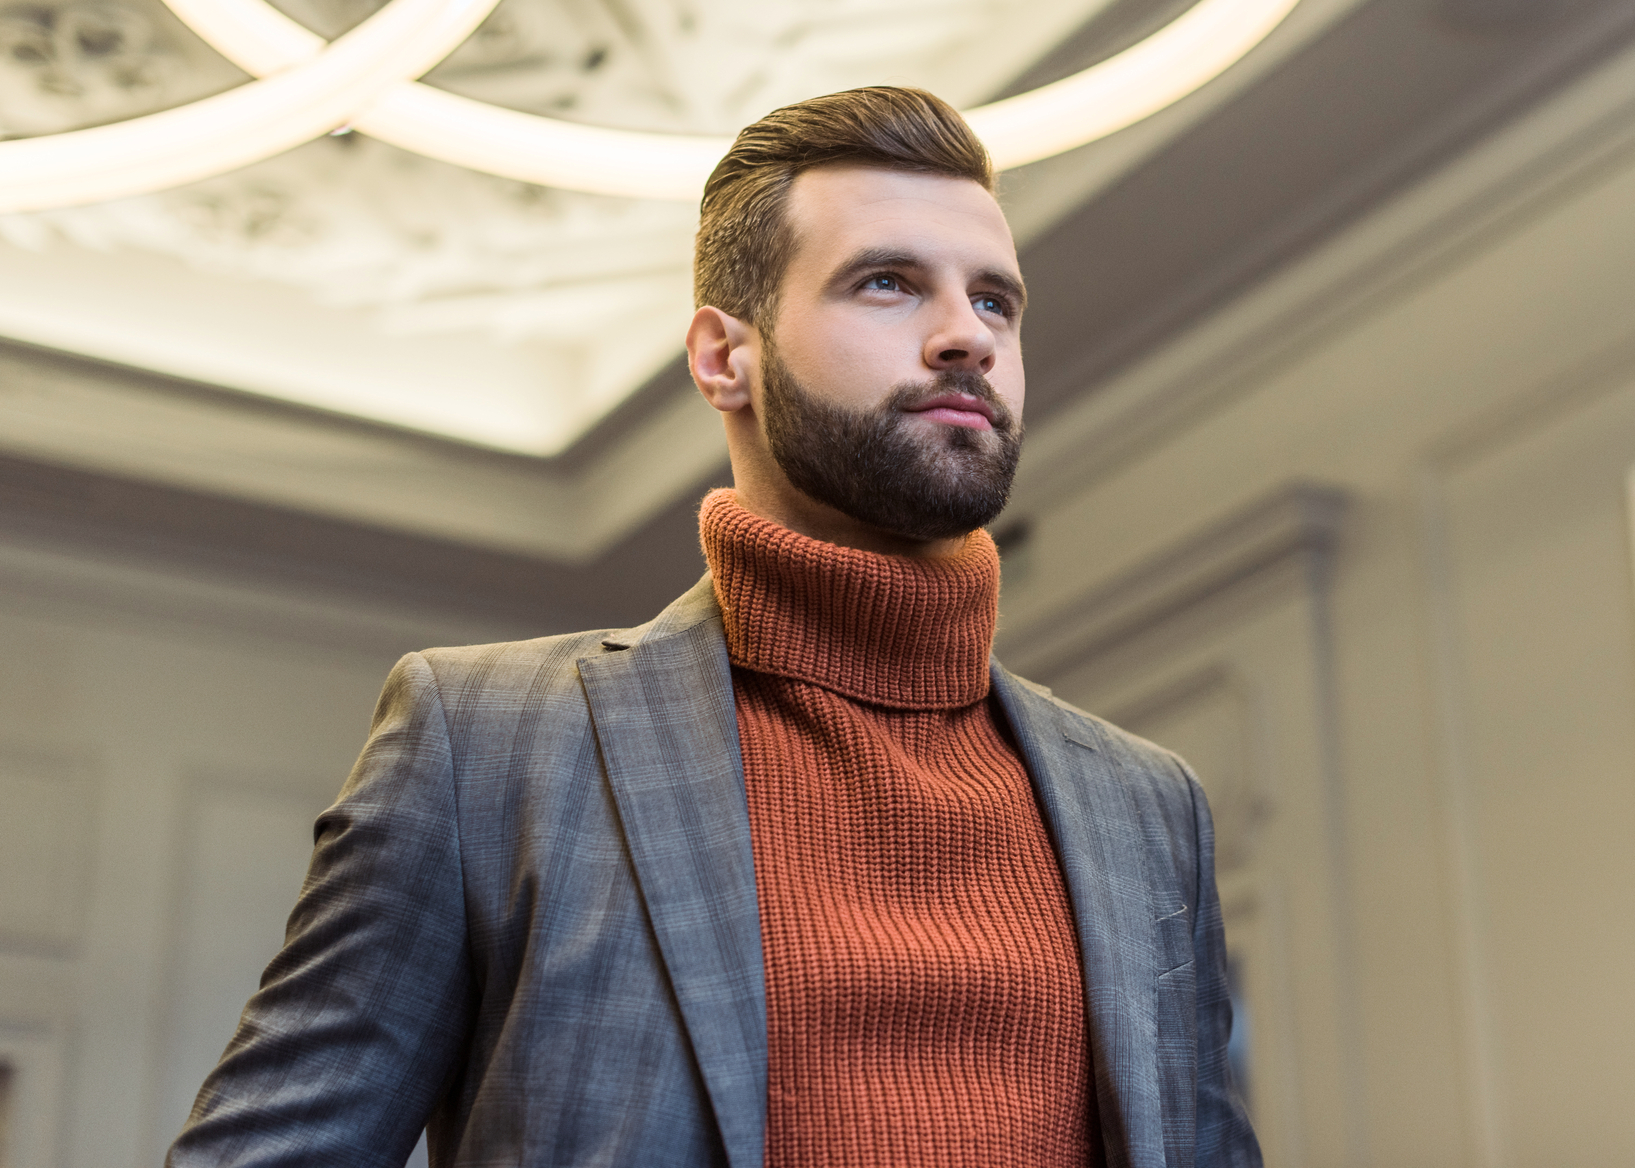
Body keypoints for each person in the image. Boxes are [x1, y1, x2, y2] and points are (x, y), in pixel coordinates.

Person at [167, 87, 1258, 1168]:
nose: (962, 337)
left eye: (994, 302)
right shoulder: (482, 745)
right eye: (887, 284)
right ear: (720, 356)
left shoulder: (1148, 809)